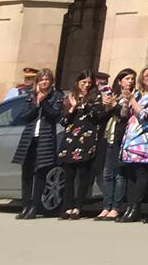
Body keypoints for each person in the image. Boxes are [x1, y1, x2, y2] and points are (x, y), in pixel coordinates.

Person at [12, 68, 63, 219]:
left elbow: (55, 115)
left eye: (47, 79)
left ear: (51, 82)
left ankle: (35, 206)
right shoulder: (30, 96)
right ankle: (25, 206)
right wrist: (36, 105)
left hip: (45, 138)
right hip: (29, 138)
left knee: (40, 172)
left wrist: (44, 102)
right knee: (26, 173)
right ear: (38, 82)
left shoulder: (56, 96)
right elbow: (24, 116)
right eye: (41, 80)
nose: (44, 82)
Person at [57, 71, 105, 219]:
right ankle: (67, 206)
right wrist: (72, 107)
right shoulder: (70, 97)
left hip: (87, 139)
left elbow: (98, 116)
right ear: (78, 82)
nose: (86, 85)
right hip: (71, 139)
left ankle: (78, 207)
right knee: (69, 175)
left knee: (83, 175)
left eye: (89, 83)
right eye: (83, 82)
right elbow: (64, 121)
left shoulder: (95, 97)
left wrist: (85, 106)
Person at [117, 64, 148, 222]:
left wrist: (133, 101)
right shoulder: (138, 94)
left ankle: (136, 207)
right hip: (131, 134)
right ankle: (129, 206)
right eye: (146, 75)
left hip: (144, 137)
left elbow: (147, 116)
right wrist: (126, 101)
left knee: (140, 173)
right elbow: (124, 114)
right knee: (130, 174)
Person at [96, 68, 136, 221]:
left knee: (119, 175)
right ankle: (106, 205)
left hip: (122, 138)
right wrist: (106, 106)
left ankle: (116, 207)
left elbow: (126, 115)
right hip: (109, 137)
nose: (130, 81)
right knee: (107, 174)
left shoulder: (133, 96)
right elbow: (103, 116)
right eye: (127, 79)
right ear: (119, 81)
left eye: (132, 79)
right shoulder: (114, 95)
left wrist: (116, 106)